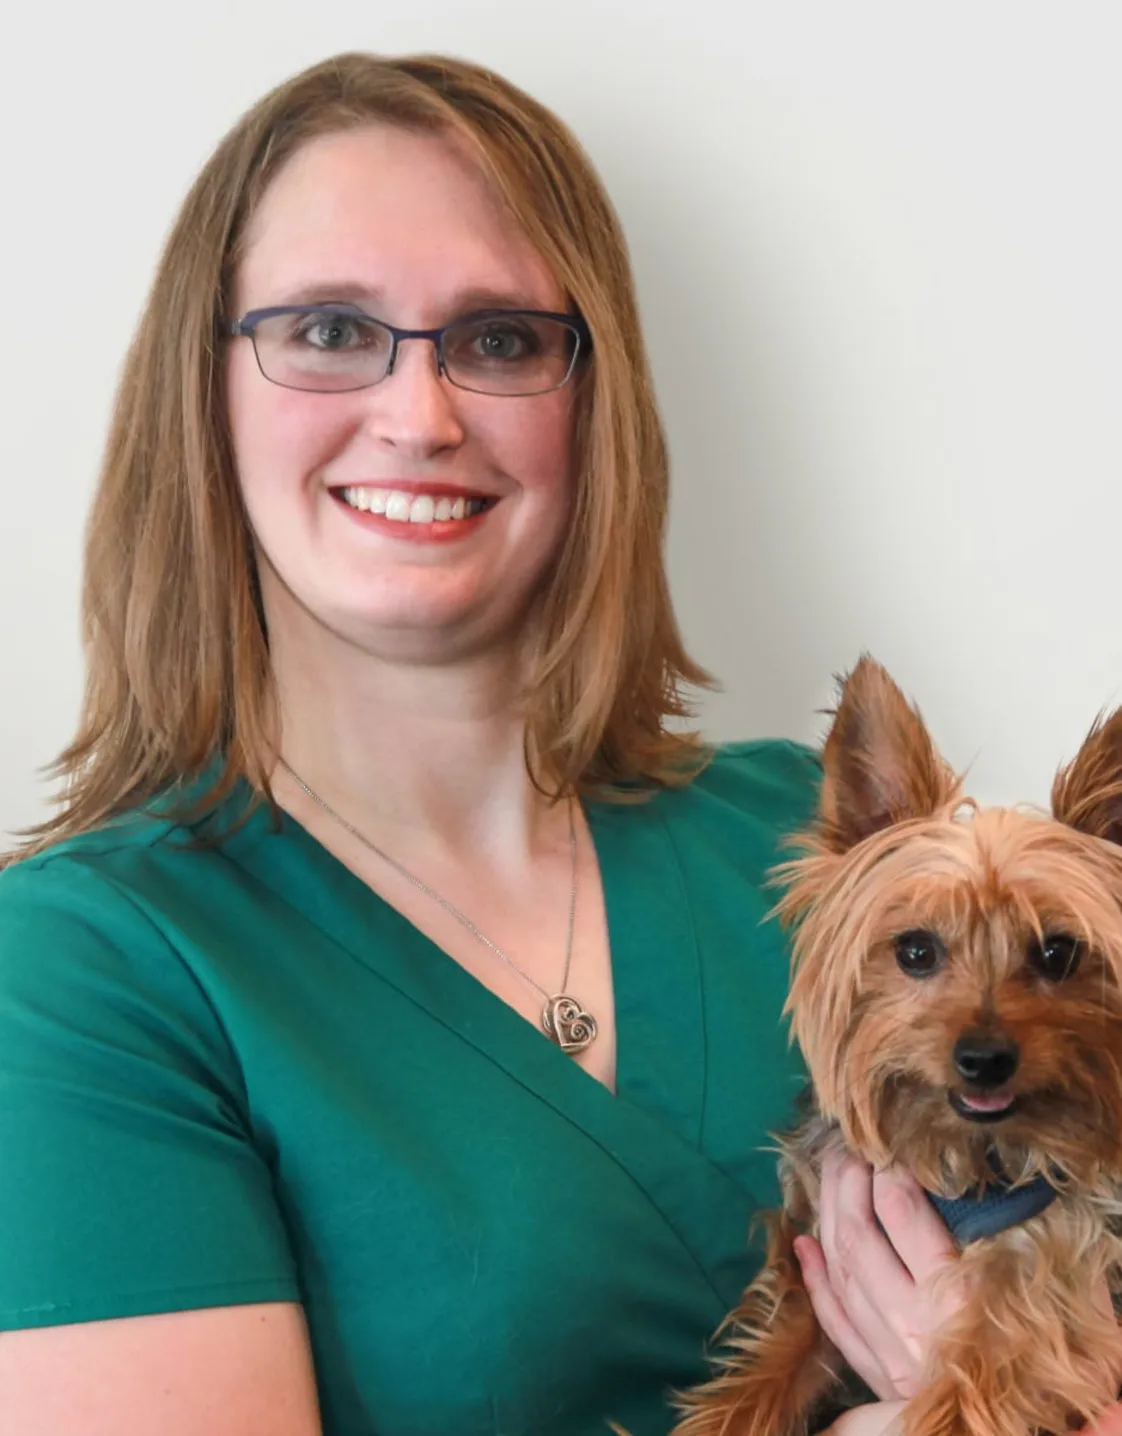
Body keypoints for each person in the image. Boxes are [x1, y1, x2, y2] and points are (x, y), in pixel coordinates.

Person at [1, 51, 1118, 1436]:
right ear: (202, 390)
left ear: (596, 405)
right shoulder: (83, 967)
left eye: (502, 340)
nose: (419, 415)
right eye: (331, 329)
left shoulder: (799, 834)